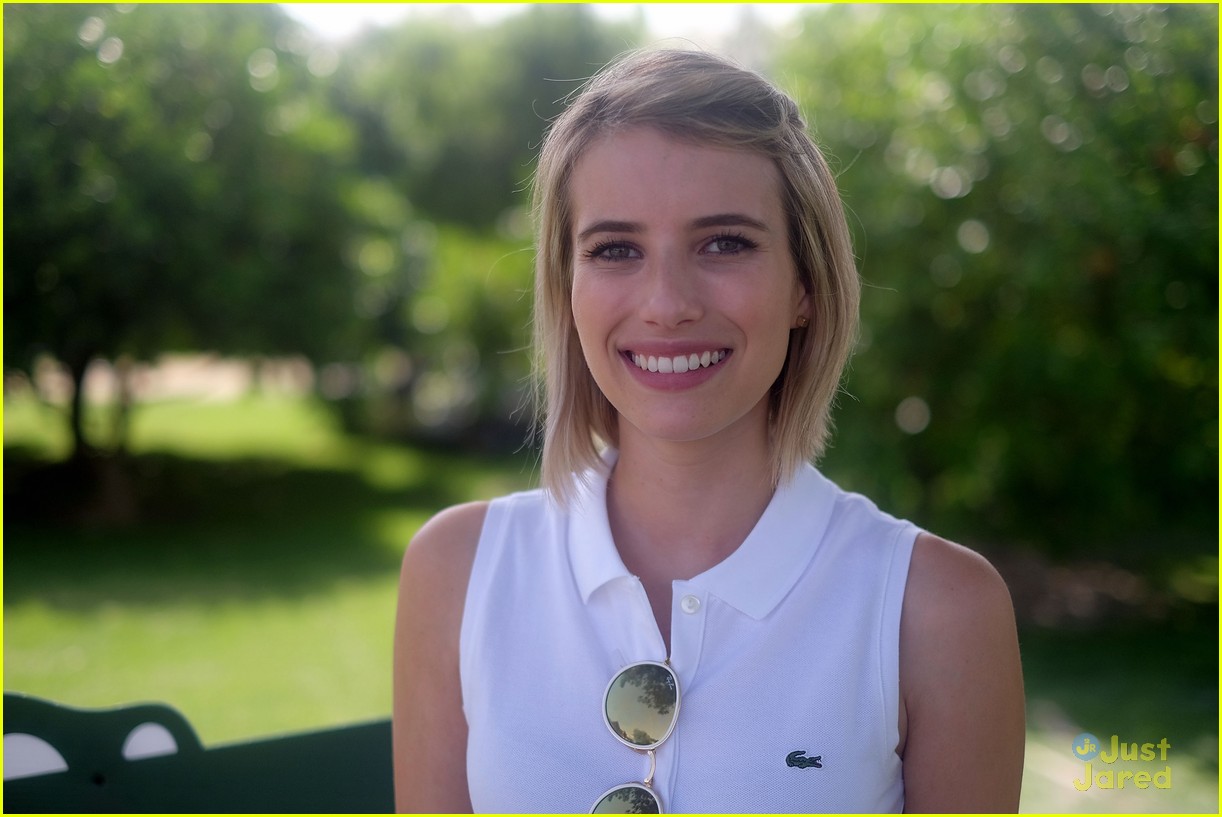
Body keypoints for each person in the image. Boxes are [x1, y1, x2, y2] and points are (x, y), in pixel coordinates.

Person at [393, 48, 1025, 813]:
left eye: (724, 242)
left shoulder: (938, 611)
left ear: (806, 286)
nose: (667, 303)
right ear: (567, 288)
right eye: (616, 249)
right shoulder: (457, 573)